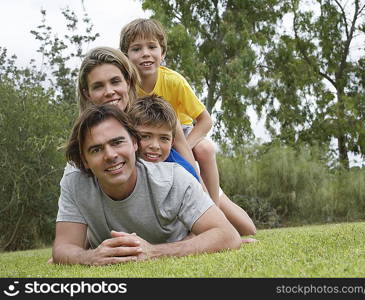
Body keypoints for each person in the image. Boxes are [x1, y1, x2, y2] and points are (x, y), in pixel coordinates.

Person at [52, 104, 241, 265]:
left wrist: (155, 252)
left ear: (135, 143)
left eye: (117, 142)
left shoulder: (174, 178)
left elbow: (227, 234)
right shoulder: (75, 181)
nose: (110, 155)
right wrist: (90, 257)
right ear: (84, 160)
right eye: (96, 149)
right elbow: (63, 247)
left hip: (175, 243)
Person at [119, 18, 222, 207]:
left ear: (163, 53)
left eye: (152, 47)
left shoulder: (174, 81)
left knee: (205, 149)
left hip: (180, 132)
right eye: (136, 49)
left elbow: (205, 121)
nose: (145, 54)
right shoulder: (126, 87)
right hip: (147, 137)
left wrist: (182, 147)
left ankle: (214, 205)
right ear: (125, 56)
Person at [128, 95, 257, 237]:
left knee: (248, 229)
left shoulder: (182, 172)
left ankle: (218, 199)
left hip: (201, 186)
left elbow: (203, 229)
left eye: (163, 138)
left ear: (172, 143)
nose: (155, 146)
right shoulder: (126, 164)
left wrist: (222, 235)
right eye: (145, 136)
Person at [77, 46, 196, 167]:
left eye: (115, 82)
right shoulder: (85, 136)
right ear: (87, 94)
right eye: (98, 86)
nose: (109, 91)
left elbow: (193, 175)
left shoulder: (157, 116)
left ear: (127, 82)